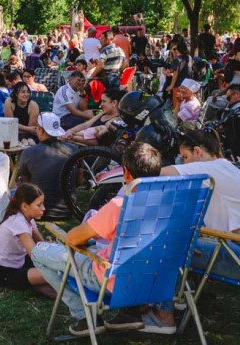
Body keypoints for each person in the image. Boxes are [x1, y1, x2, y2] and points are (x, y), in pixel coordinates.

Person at [31, 142, 164, 336]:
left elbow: (73, 238)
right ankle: (130, 310)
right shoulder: (171, 206)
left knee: (39, 251)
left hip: (110, 280)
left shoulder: (120, 205)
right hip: (151, 280)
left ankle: (84, 316)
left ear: (126, 173)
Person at [158, 130, 240, 329]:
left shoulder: (211, 168)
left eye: (185, 157)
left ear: (198, 152)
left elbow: (159, 173)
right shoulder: (227, 168)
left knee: (166, 244)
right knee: (184, 235)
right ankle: (180, 299)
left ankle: (163, 315)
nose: (185, 163)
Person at [0, 183, 57, 298]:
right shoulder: (18, 222)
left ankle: (39, 284)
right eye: (39, 205)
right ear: (24, 206)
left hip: (20, 261)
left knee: (54, 271)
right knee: (55, 274)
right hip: (6, 272)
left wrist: (51, 249)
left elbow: (41, 243)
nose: (43, 208)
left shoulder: (27, 218)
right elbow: (35, 254)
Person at [16, 112, 78, 219]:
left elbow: (25, 185)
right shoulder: (73, 149)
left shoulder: (28, 152)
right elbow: (79, 181)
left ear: (40, 130)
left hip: (38, 212)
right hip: (68, 210)